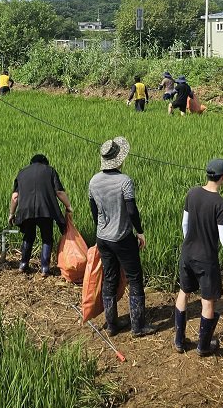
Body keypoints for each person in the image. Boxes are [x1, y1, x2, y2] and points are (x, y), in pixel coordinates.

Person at [173, 158, 223, 355]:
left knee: (184, 292)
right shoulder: (221, 205)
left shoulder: (192, 193)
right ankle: (203, 346)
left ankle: (179, 341)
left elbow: (184, 224)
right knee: (208, 301)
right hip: (206, 259)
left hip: (187, 253)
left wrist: (190, 242)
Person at [88, 137, 156, 337]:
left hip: (103, 237)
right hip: (122, 237)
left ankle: (112, 325)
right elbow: (132, 210)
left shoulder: (94, 181)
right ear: (119, 159)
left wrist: (101, 229)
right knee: (135, 278)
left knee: (110, 277)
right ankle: (138, 326)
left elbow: (94, 211)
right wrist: (139, 231)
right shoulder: (124, 181)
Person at [8, 154, 73, 276]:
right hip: (45, 210)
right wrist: (68, 206)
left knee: (28, 236)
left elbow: (15, 197)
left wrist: (11, 214)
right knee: (47, 238)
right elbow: (59, 192)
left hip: (26, 210)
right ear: (45, 163)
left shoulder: (22, 173)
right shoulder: (50, 170)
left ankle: (23, 264)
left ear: (31, 162)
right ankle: (44, 268)